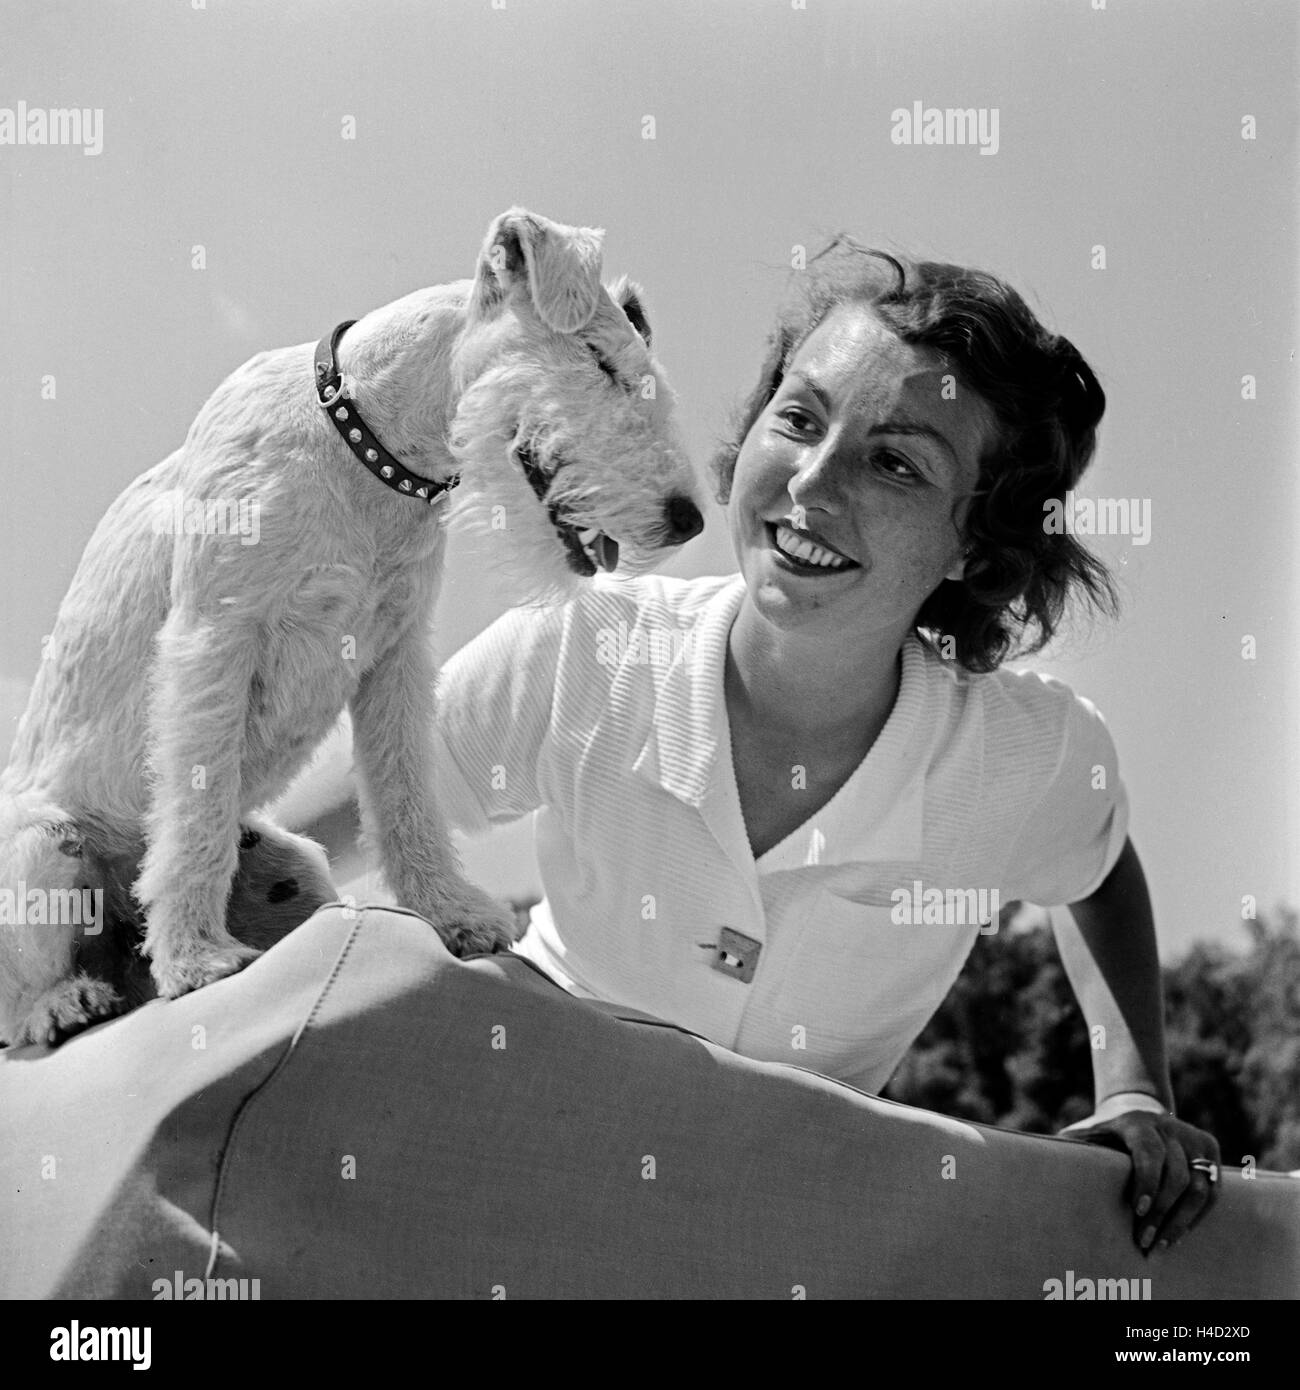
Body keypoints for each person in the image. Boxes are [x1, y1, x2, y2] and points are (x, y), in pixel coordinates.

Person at [288, 238, 1220, 1254]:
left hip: (780, 1219)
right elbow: (316, 830)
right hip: (516, 1150)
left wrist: (1131, 1085)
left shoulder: (1020, 757)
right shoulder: (583, 650)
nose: (813, 483)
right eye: (800, 417)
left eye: (897, 462)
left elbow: (1095, 864)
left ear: (976, 546)